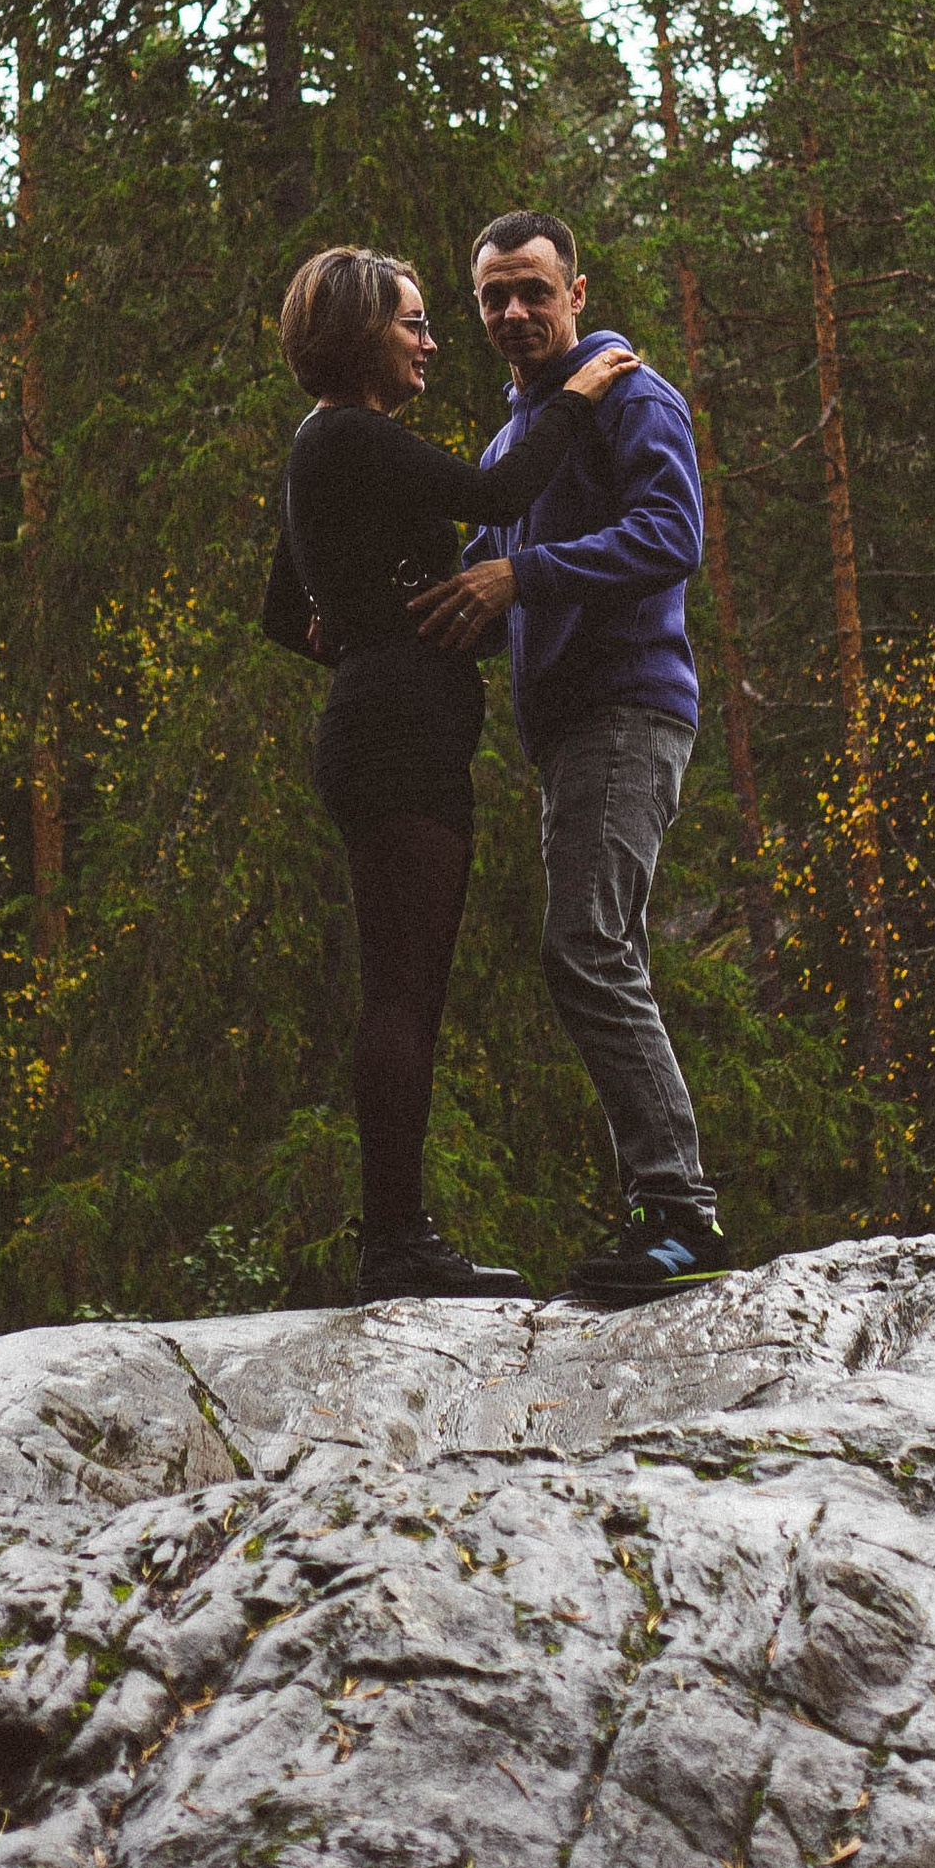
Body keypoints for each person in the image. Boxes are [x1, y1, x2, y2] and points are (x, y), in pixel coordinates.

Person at [261, 243, 642, 1303]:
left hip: (379, 727)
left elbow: (282, 614)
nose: (432, 342)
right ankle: (395, 1243)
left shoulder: (320, 447)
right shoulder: (352, 434)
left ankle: (398, 1235)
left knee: (404, 989)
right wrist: (574, 395)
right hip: (400, 740)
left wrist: (369, 629)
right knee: (403, 994)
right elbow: (500, 489)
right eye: (414, 322)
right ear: (359, 335)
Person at [404, 211, 733, 1309]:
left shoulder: (632, 396)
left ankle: (679, 1214)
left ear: (576, 294)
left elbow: (673, 535)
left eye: (533, 291)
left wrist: (523, 575)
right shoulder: (512, 446)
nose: (513, 312)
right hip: (567, 732)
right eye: (492, 296)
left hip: (628, 706)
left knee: (587, 945)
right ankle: (666, 1207)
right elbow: (476, 592)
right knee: (593, 946)